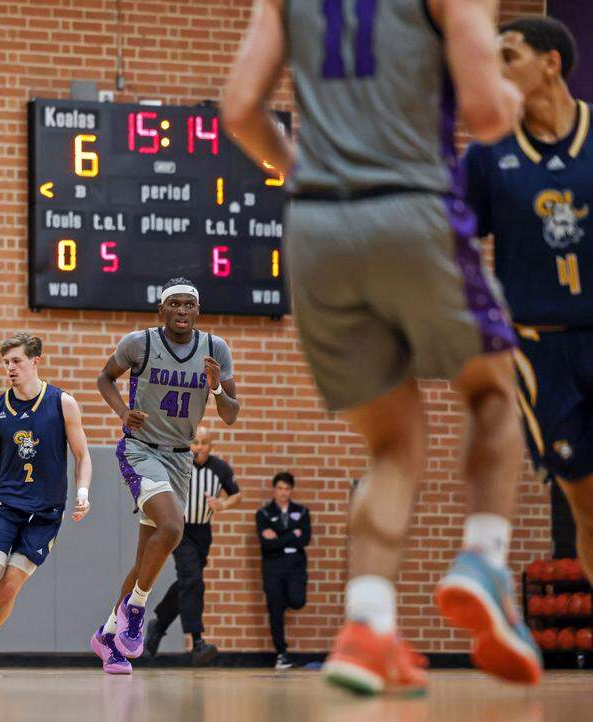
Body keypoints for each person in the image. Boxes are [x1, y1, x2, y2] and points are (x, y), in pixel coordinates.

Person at [223, 0, 540, 694]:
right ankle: (484, 559)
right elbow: (486, 114)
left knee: (392, 443)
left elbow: (241, 107)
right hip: (412, 205)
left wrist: (299, 166)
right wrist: (515, 94)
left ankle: (367, 625)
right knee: (492, 391)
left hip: (315, 229)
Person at [464, 16, 593, 585]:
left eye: (508, 56)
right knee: (586, 504)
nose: (495, 70)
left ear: (551, 63)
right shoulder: (488, 155)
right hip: (542, 353)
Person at [93, 277, 240, 674]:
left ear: (198, 310)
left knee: (145, 556)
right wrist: (124, 413)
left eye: (188, 304)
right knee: (174, 528)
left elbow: (230, 414)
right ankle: (136, 610)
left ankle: (109, 636)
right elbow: (104, 378)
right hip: (140, 451)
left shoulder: (215, 349)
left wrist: (217, 389)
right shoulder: (139, 343)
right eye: (173, 304)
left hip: (180, 459)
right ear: (162, 310)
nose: (181, 311)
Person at [0, 333, 93, 673]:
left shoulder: (62, 403)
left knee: (9, 587)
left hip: (46, 513)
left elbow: (82, 456)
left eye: (16, 361)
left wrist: (83, 492)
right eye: (6, 362)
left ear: (35, 361)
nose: (10, 368)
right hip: (8, 506)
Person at [144, 437, 240, 665]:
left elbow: (237, 494)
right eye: (195, 442)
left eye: (204, 443)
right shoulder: (178, 463)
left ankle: (159, 624)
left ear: (211, 447)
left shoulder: (220, 468)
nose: (198, 447)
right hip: (181, 529)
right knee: (193, 579)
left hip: (203, 532)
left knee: (188, 581)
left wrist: (223, 504)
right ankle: (198, 642)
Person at [256, 472, 310, 670]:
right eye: (279, 488)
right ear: (274, 489)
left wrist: (278, 536)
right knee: (275, 610)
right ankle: (282, 653)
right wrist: (291, 535)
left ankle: (286, 596)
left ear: (291, 490)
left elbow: (305, 540)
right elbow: (266, 545)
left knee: (297, 600)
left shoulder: (302, 512)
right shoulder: (263, 514)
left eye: (287, 488)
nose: (283, 492)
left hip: (295, 565)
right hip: (273, 566)